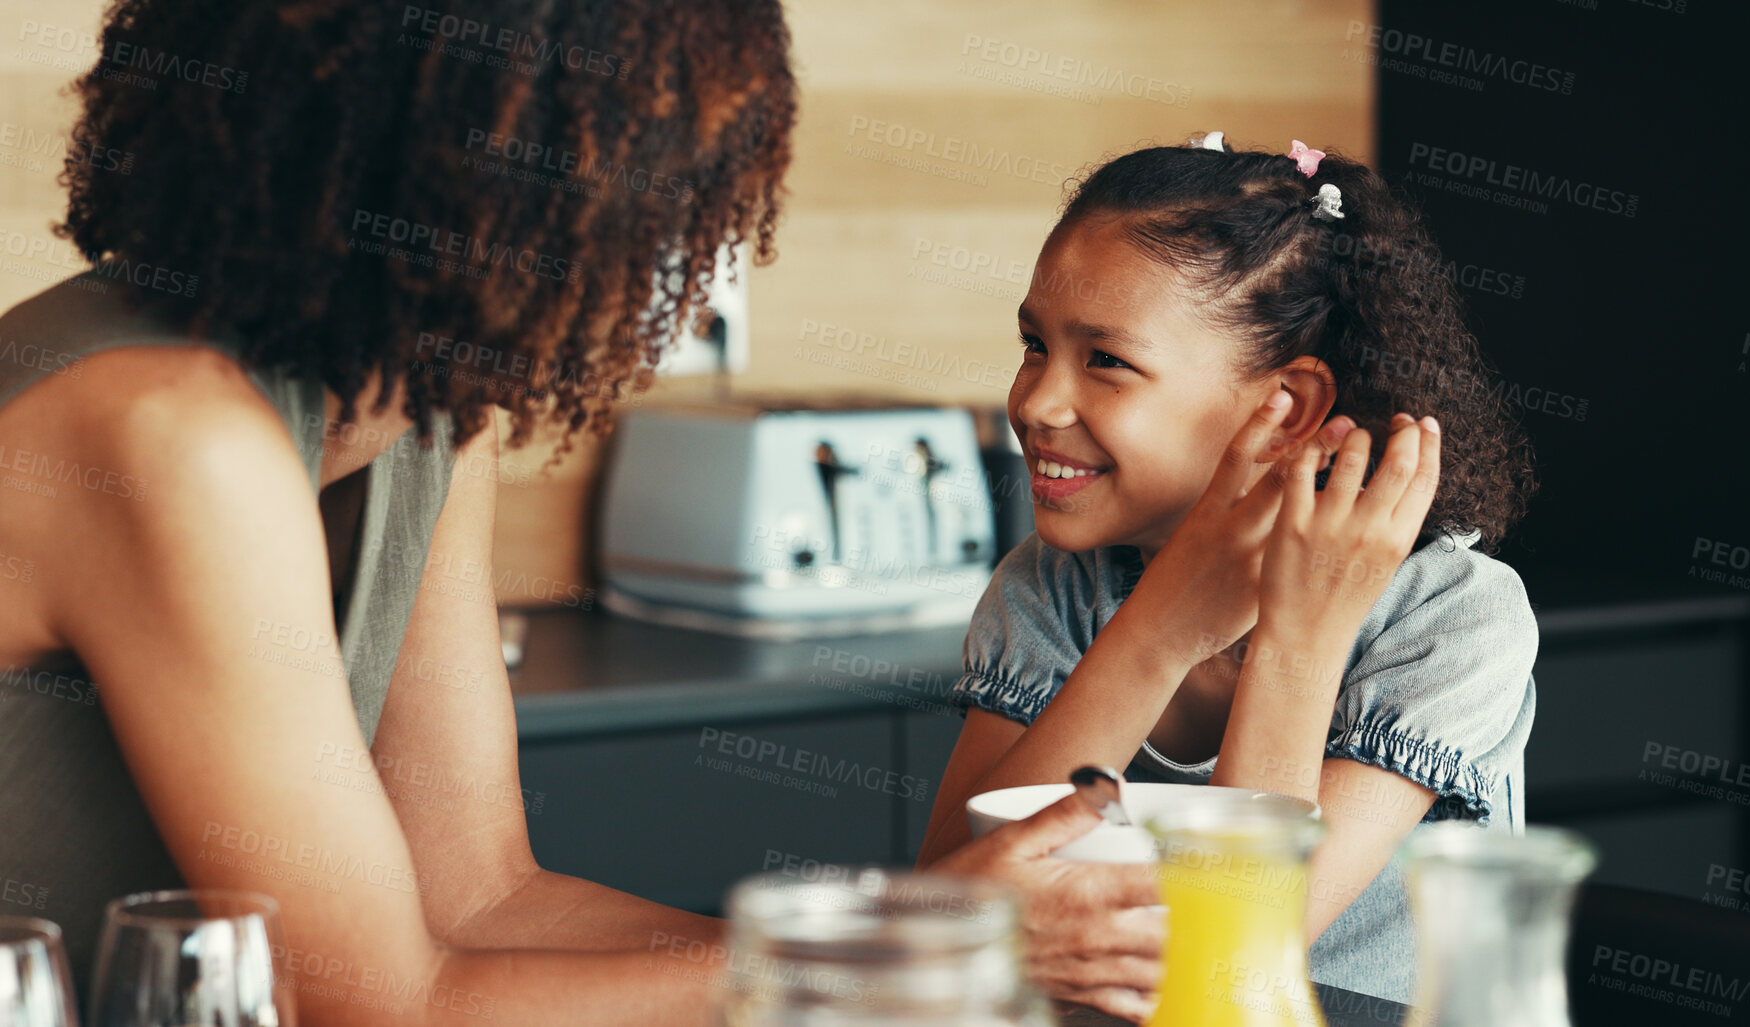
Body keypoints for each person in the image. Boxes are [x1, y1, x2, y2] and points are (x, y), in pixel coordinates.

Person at [0, 2, 1159, 1022]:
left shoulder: (433, 407)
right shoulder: (161, 436)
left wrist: (903, 940)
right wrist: (904, 941)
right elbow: (378, 1004)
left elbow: (484, 897)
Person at [915, 133, 1542, 1004]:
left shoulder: (1449, 617)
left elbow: (1239, 962)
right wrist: (1158, 628)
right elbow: (948, 918)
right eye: (1034, 345)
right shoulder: (1054, 586)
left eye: (1105, 360)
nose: (1036, 402)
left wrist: (1300, 639)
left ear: (1284, 407)